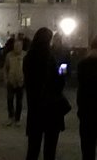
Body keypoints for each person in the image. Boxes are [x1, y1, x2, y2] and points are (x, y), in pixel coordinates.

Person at [22, 26, 69, 160]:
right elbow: (57, 84)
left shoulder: (28, 58)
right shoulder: (49, 58)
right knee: (50, 149)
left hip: (35, 106)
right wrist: (62, 73)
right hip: (51, 108)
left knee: (33, 148)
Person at [3, 36, 27, 123]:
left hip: (21, 81)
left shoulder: (25, 55)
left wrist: (25, 79)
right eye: (16, 46)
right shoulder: (9, 55)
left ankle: (17, 118)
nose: (17, 47)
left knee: (19, 101)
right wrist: (6, 78)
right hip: (11, 80)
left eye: (19, 46)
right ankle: (11, 117)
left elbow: (27, 68)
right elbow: (6, 68)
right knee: (10, 100)